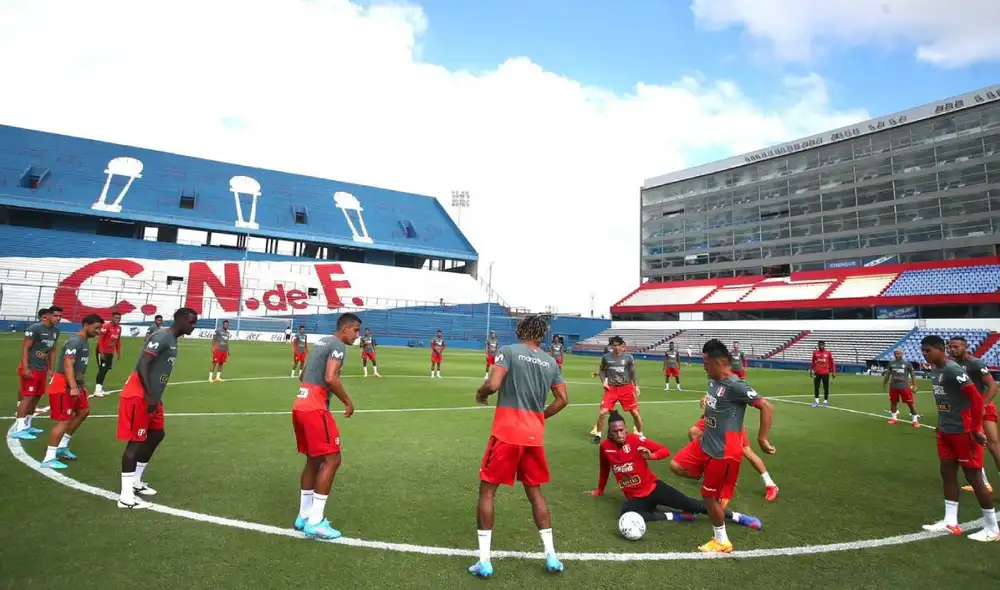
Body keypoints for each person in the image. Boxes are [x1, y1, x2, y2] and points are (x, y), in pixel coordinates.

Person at [470, 315, 569, 578]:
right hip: (533, 437)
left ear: (520, 330)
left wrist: (481, 393)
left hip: (507, 433)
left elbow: (493, 384)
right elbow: (563, 400)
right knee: (535, 493)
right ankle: (551, 555)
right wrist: (539, 417)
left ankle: (485, 561)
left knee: (487, 491)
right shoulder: (550, 361)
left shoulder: (509, 351)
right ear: (542, 335)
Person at [670, 339, 775, 553]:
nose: (703, 366)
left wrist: (762, 439)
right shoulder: (713, 380)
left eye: (706, 362)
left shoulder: (736, 385)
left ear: (720, 362)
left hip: (724, 451)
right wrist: (706, 400)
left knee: (708, 496)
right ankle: (710, 481)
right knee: (676, 466)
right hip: (706, 441)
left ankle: (721, 541)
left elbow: (766, 406)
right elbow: (716, 396)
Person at [588, 411, 763, 532]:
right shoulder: (605, 448)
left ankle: (738, 517)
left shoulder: (635, 439)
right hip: (635, 498)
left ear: (626, 428)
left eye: (621, 430)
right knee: (626, 513)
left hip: (654, 488)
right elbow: (605, 469)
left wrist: (652, 456)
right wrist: (600, 490)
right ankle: (672, 516)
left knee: (693, 504)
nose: (619, 434)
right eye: (615, 431)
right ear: (608, 433)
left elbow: (664, 450)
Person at [115, 307, 198, 509]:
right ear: (180, 321)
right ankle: (125, 498)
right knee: (135, 443)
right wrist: (150, 394)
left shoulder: (173, 339)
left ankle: (136, 482)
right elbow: (144, 361)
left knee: (156, 434)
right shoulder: (162, 335)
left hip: (152, 397)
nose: (194, 326)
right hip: (140, 395)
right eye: (192, 322)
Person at [919, 335, 997, 542]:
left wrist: (975, 427)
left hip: (964, 431)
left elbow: (975, 399)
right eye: (923, 350)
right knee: (947, 471)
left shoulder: (953, 369)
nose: (924, 354)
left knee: (974, 478)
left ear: (939, 349)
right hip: (945, 430)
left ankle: (992, 528)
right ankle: (950, 521)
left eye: (928, 350)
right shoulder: (935, 370)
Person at [291, 313, 361, 540]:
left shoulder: (321, 341)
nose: (357, 336)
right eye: (356, 331)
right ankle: (316, 521)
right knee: (333, 459)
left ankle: (303, 516)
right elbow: (331, 378)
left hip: (300, 403)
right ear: (346, 329)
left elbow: (303, 374)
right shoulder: (338, 345)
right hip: (315, 407)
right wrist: (348, 401)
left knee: (314, 459)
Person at [40, 314, 103, 469]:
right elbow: (68, 364)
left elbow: (77, 367)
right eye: (96, 328)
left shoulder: (84, 342)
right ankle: (49, 458)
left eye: (100, 328)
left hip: (75, 384)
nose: (98, 331)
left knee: (83, 410)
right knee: (64, 421)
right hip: (64, 385)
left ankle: (62, 445)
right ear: (86, 325)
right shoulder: (75, 341)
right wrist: (73, 386)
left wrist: (81, 384)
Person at [688, 396, 779, 502]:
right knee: (694, 432)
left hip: (730, 423)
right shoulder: (715, 382)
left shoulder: (735, 384)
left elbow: (762, 405)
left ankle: (770, 484)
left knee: (746, 451)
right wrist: (706, 399)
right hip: (712, 419)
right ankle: (708, 470)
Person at [947, 336, 999, 495]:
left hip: (983, 406)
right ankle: (984, 483)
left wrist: (982, 405)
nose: (952, 349)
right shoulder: (951, 364)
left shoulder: (975, 363)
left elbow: (992, 386)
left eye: (956, 347)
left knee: (993, 445)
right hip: (966, 410)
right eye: (950, 347)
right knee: (972, 446)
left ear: (965, 346)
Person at [10, 306, 62, 440]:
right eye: (56, 316)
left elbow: (52, 350)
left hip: (42, 368)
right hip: (31, 367)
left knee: (37, 396)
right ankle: (19, 428)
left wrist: (51, 368)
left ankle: (27, 425)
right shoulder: (35, 329)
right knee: (27, 397)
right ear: (48, 315)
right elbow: (26, 348)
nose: (58, 318)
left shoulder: (56, 331)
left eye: (60, 316)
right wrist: (26, 367)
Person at [590, 336, 643, 442]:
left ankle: (640, 435)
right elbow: (601, 371)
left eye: (619, 345)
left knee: (635, 413)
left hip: (626, 388)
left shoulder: (628, 357)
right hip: (611, 389)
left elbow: (632, 372)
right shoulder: (606, 357)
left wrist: (636, 386)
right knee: (602, 412)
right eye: (614, 345)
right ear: (611, 346)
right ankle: (598, 435)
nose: (617, 347)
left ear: (622, 345)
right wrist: (604, 382)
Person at [882, 349, 920, 427]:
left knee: (910, 403)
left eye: (899, 354)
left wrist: (915, 386)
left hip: (904, 386)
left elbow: (913, 375)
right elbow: (888, 374)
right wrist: (885, 383)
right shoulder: (891, 363)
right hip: (893, 386)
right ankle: (894, 418)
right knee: (893, 402)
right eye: (896, 354)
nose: (897, 355)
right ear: (894, 354)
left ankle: (915, 420)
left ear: (902, 354)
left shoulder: (907, 364)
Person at [93, 310, 122, 397]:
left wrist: (118, 352)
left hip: (110, 352)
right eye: (116, 318)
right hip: (102, 351)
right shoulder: (106, 326)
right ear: (112, 318)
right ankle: (97, 390)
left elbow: (117, 341)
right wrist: (101, 353)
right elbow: (100, 340)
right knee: (102, 369)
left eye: (119, 318)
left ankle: (100, 388)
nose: (117, 319)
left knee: (105, 370)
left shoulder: (119, 328)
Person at [810, 340, 835, 407]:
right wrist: (811, 370)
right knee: (816, 387)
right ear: (818, 345)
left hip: (825, 373)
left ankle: (825, 401)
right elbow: (812, 362)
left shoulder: (828, 353)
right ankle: (816, 401)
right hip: (817, 373)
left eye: (821, 345)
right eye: (819, 345)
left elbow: (832, 363)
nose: (820, 346)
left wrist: (833, 372)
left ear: (824, 345)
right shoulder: (815, 353)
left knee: (826, 387)